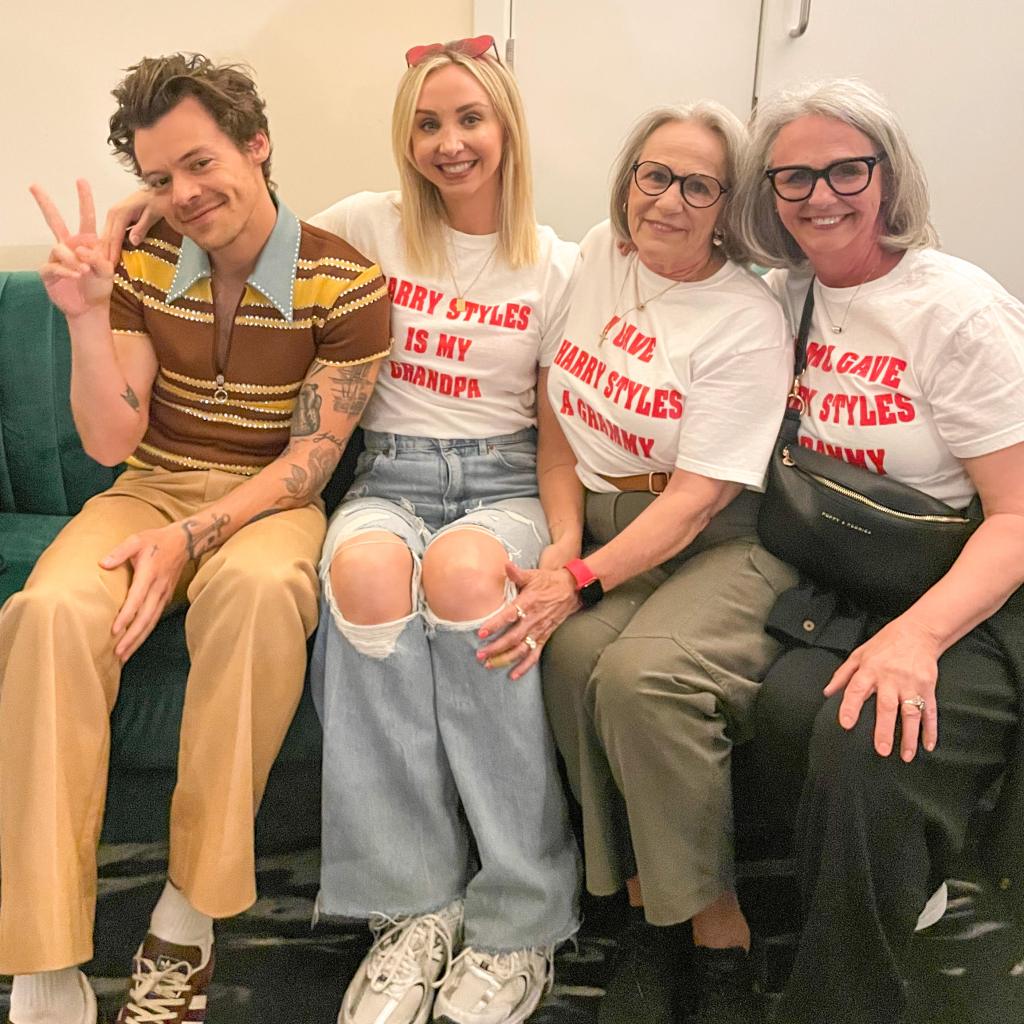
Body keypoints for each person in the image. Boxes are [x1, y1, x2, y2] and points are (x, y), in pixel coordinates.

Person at [0, 53, 389, 1024]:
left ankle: (188, 918)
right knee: (47, 611)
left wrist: (195, 538)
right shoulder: (142, 258)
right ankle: (46, 956)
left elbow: (312, 459)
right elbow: (110, 439)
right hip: (149, 482)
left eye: (200, 163)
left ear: (257, 145)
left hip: (270, 500)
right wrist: (88, 320)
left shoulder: (344, 281)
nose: (183, 193)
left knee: (259, 596)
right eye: (160, 177)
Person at [477, 101, 797, 1024]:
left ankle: (720, 934)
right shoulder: (597, 256)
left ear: (728, 205)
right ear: (628, 180)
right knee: (572, 657)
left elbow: (699, 499)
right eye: (654, 175)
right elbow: (559, 423)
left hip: (717, 539)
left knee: (639, 678)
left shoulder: (746, 317)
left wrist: (578, 580)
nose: (668, 200)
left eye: (699, 185)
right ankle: (645, 917)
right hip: (606, 521)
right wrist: (564, 553)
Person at [732, 78, 1024, 1024]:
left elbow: (1015, 517)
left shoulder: (958, 311)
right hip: (852, 575)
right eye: (794, 177)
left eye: (846, 169)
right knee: (780, 706)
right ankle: (903, 882)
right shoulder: (786, 296)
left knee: (864, 736)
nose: (821, 196)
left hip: (971, 587)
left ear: (888, 177)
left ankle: (842, 999)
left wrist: (918, 640)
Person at [306, 37, 580, 1024]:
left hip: (501, 478)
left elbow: (555, 435)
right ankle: (409, 911)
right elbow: (242, 242)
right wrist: (141, 218)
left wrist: (561, 544)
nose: (449, 141)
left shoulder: (557, 264)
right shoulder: (363, 226)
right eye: (427, 123)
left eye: (469, 119)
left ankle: (519, 919)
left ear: (505, 128)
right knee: (367, 578)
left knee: (469, 578)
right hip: (388, 473)